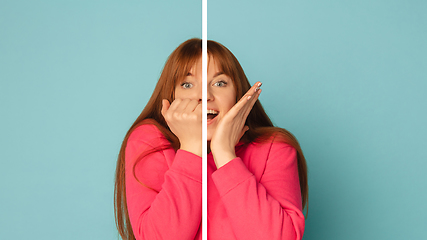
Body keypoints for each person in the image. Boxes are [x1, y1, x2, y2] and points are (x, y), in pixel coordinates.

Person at [114, 38, 308, 240]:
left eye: (219, 83)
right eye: (187, 84)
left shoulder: (274, 148)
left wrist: (225, 154)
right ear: (170, 96)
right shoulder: (149, 140)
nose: (204, 96)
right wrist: (191, 148)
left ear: (238, 94)